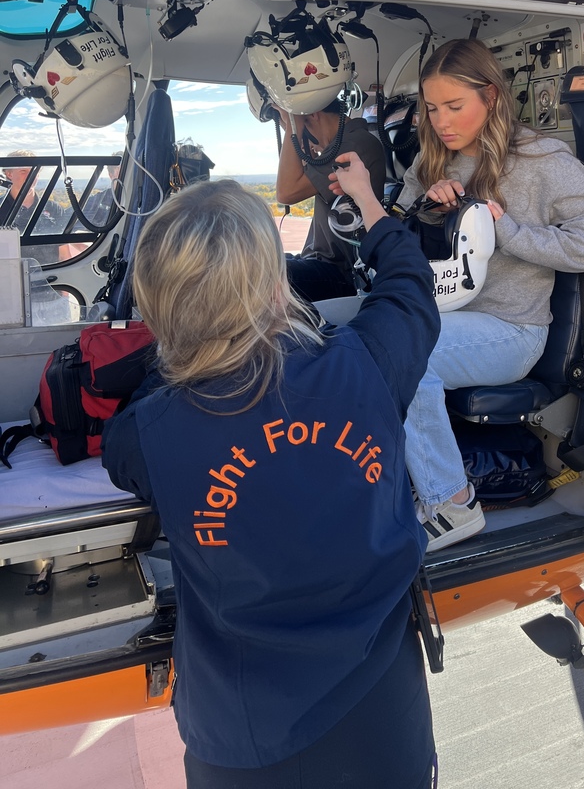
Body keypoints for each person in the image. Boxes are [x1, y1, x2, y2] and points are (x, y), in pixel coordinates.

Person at [101, 156, 440, 789]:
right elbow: (410, 285)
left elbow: (129, 440)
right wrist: (370, 205)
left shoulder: (144, 436)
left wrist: (174, 358)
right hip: (382, 716)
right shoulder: (370, 362)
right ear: (275, 283)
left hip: (244, 735)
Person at [396, 38, 584, 552]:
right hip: (443, 311)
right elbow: (403, 234)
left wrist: (510, 233)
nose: (441, 121)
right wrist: (429, 209)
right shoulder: (434, 160)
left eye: (455, 107)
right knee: (353, 338)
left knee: (403, 352)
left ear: (493, 98)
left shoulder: (541, 159)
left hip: (510, 330)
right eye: (432, 108)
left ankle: (451, 504)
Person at [275, 100, 386, 301]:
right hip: (320, 263)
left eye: (305, 125)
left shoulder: (353, 145)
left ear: (314, 113)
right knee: (258, 262)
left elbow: (286, 192)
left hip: (341, 273)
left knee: (259, 275)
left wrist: (294, 125)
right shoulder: (342, 145)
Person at [0, 149, 68, 264]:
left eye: (34, 171)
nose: (30, 176)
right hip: (9, 278)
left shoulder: (54, 209)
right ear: (9, 174)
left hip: (52, 275)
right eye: (23, 171)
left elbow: (64, 253)